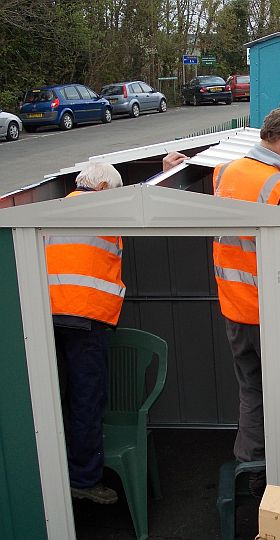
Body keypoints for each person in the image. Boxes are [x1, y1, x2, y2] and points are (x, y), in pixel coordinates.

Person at [212, 102, 280, 495]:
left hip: (233, 309)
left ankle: (250, 468)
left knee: (250, 390)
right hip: (269, 314)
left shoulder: (224, 172)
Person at [45, 162, 125, 504]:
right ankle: (84, 479)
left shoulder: (54, 210)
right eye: (116, 193)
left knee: (54, 398)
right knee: (87, 399)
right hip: (84, 318)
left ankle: (57, 473)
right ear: (104, 186)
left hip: (47, 316)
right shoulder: (100, 211)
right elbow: (145, 202)